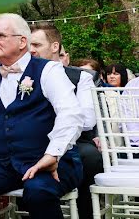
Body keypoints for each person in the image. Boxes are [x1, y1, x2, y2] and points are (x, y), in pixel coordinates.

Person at [0, 13, 83, 219]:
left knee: (38, 192)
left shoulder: (48, 70)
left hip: (51, 161)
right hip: (4, 163)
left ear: (22, 41)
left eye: (0, 35)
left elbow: (70, 114)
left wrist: (52, 154)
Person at [30, 23, 101, 219]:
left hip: (75, 140)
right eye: (29, 45)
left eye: (36, 45)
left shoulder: (80, 78)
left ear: (55, 47)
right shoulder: (23, 76)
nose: (31, 50)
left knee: (89, 156)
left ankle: (85, 210)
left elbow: (87, 120)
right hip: (35, 140)